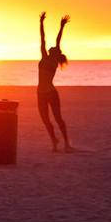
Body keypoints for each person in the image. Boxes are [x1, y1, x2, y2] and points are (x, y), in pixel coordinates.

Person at [36, 12, 73, 152]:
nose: (52, 47)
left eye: (55, 48)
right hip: (40, 93)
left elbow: (56, 40)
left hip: (51, 93)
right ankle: (54, 142)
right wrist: (41, 23)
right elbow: (42, 39)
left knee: (58, 119)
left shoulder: (51, 60)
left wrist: (62, 26)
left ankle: (66, 144)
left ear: (56, 53)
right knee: (46, 120)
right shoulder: (45, 56)